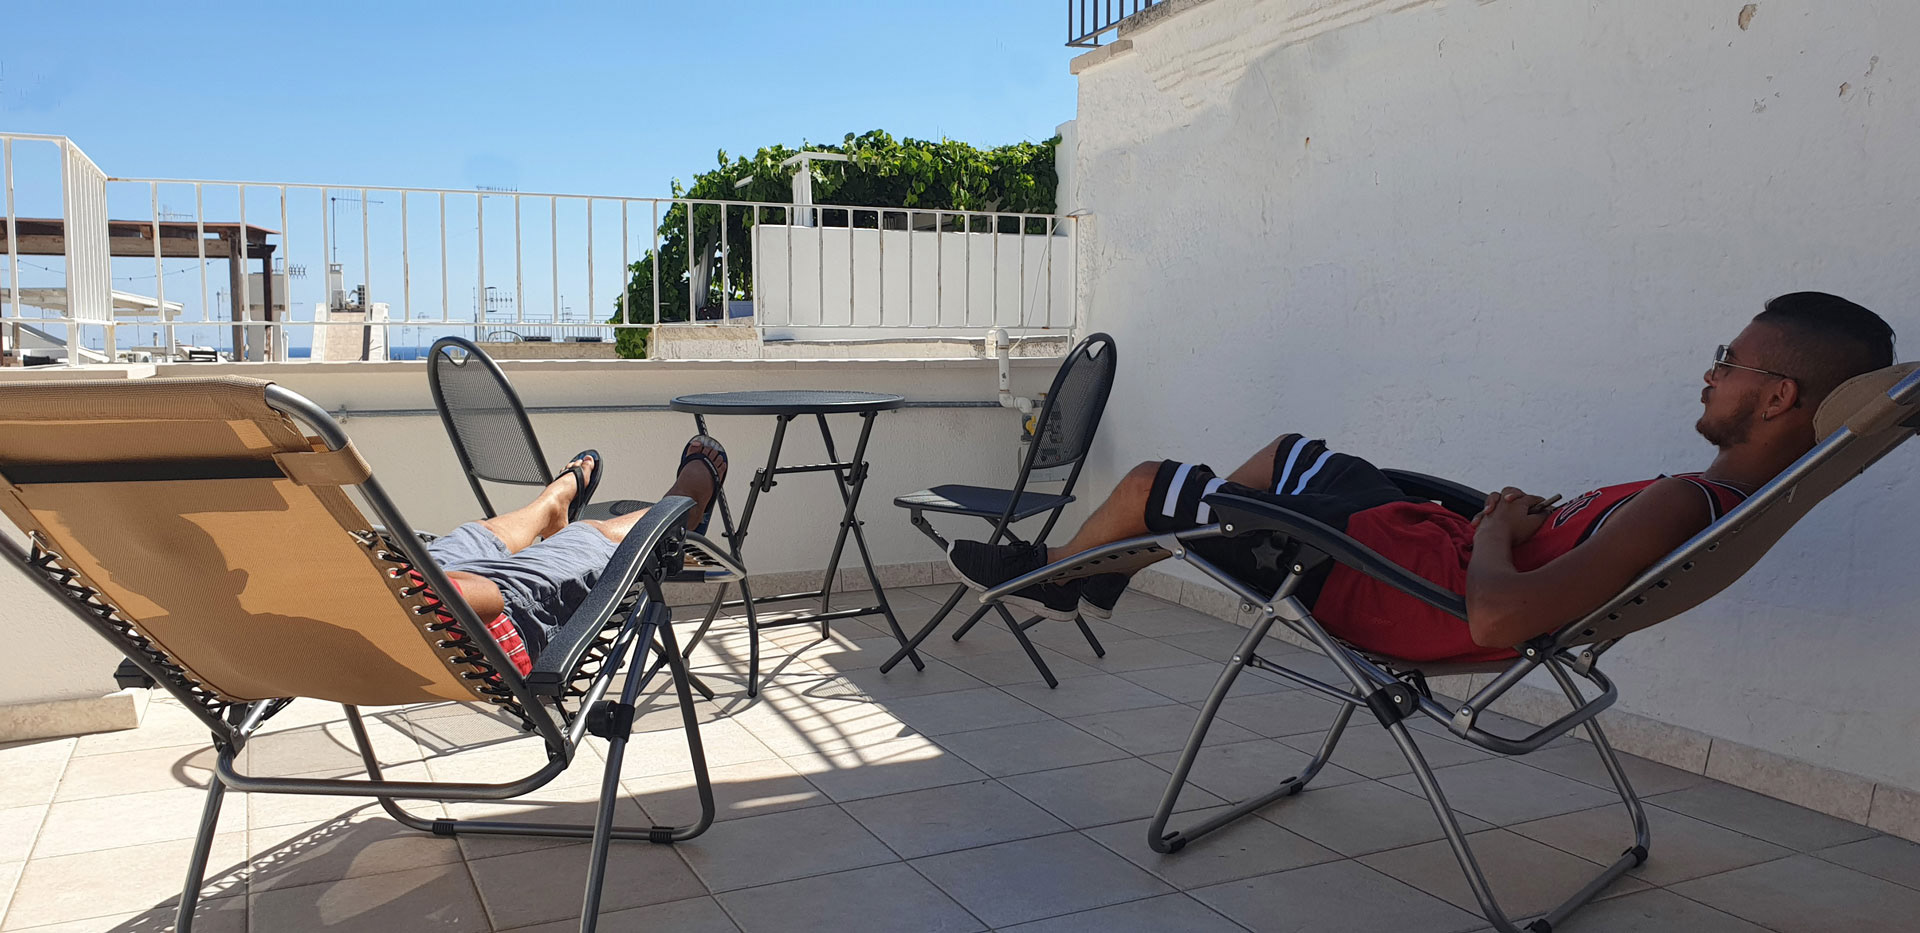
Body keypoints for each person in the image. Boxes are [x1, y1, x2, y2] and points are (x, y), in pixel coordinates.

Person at [948, 292, 1896, 662]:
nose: (1711, 371)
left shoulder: (1684, 501)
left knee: (1154, 481)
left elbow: (1495, 620)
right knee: (1285, 455)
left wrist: (1498, 530)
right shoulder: (1718, 500)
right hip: (1421, 550)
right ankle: (1108, 569)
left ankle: (1064, 574)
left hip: (1397, 589)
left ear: (1778, 396)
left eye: (1729, 360)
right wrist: (1508, 521)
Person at [423, 436, 728, 671]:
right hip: (474, 635)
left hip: (411, 597)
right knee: (584, 538)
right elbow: (491, 601)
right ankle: (685, 507)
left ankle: (551, 505)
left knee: (472, 539)